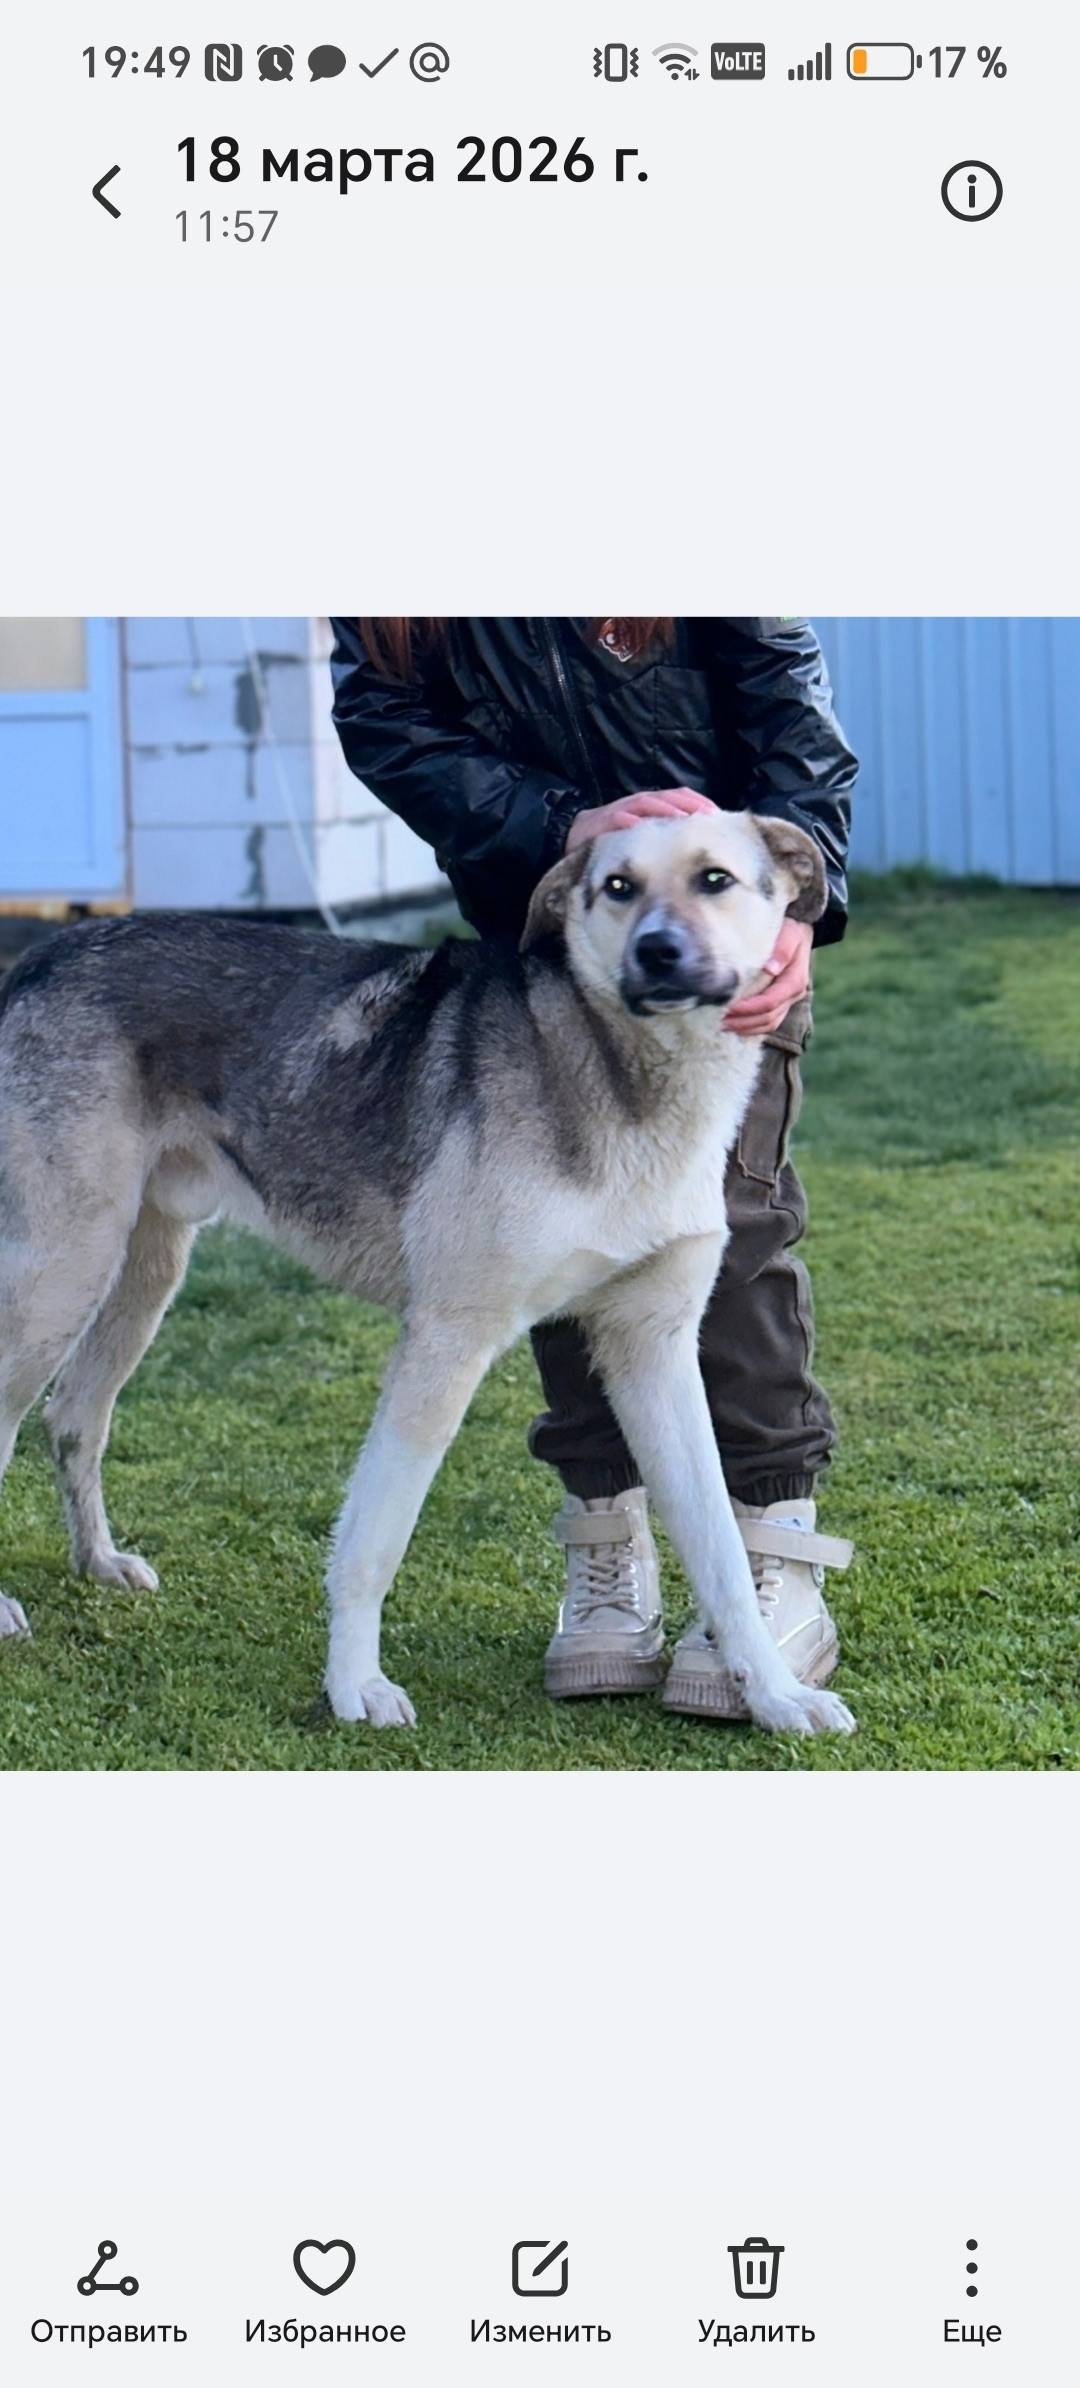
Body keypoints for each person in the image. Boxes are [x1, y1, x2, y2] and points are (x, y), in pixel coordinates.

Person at [328, 618, 857, 1719]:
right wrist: (561, 831)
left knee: (736, 1230)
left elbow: (790, 712)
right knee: (566, 1266)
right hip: (548, 917)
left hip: (742, 935)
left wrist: (797, 887)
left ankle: (772, 1557)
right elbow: (385, 721)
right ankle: (606, 1544)